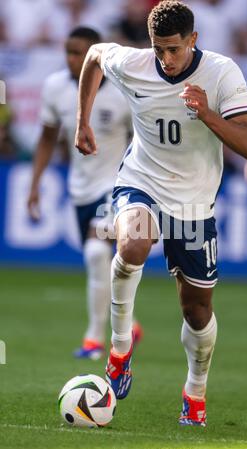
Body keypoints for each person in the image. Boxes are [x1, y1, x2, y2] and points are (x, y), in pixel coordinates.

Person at [75, 0, 247, 425]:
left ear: (194, 40)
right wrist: (81, 121)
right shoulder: (135, 62)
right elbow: (94, 55)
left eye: (174, 49)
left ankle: (195, 392)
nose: (166, 59)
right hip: (141, 180)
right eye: (159, 49)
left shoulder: (221, 72)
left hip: (194, 202)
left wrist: (207, 113)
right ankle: (119, 350)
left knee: (197, 312)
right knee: (133, 242)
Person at [27, 26, 142, 360]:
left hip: (117, 187)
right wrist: (35, 185)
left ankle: (94, 340)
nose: (72, 59)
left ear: (97, 55)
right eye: (68, 51)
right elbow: (48, 137)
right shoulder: (54, 87)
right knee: (99, 262)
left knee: (95, 253)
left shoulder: (123, 90)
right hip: (80, 190)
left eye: (79, 52)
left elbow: (143, 139)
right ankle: (130, 322)